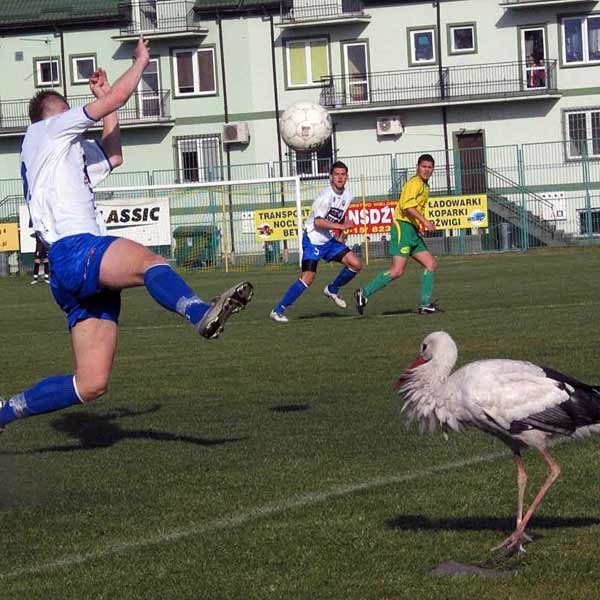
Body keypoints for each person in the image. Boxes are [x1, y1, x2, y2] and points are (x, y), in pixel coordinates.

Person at [0, 36, 253, 433]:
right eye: (70, 112)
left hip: (67, 273)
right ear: (53, 117)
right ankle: (199, 312)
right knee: (150, 262)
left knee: (91, 384)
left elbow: (114, 155)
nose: (77, 119)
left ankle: (3, 412)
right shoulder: (46, 132)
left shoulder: (65, 153)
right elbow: (115, 100)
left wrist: (103, 103)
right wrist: (140, 63)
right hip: (76, 249)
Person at [270, 161, 362, 323]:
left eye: (343, 174)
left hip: (329, 240)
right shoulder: (325, 197)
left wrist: (341, 232)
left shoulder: (348, 195)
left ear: (347, 177)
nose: (340, 177)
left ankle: (333, 289)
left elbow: (340, 215)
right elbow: (318, 222)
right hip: (313, 240)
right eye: (337, 174)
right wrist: (340, 226)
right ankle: (278, 310)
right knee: (308, 278)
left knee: (356, 264)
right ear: (330, 177)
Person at [354, 154, 441, 316]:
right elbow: (407, 207)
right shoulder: (414, 183)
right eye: (424, 166)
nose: (427, 170)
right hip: (403, 228)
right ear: (417, 167)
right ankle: (363, 293)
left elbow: (416, 207)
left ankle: (425, 304)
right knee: (397, 271)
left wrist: (419, 224)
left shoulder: (425, 186)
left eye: (430, 167)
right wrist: (425, 221)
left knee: (430, 264)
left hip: (412, 230)